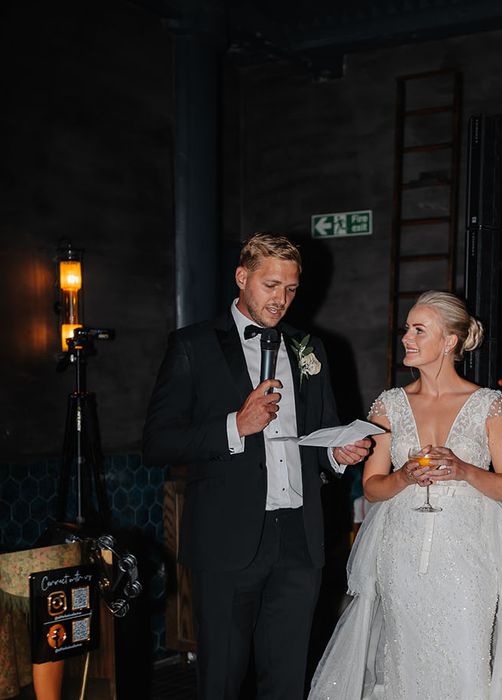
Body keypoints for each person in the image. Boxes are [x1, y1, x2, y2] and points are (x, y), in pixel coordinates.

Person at [310, 291, 502, 700]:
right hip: (402, 553)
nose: (406, 336)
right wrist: (404, 476)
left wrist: (463, 470)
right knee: (403, 658)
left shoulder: (488, 405)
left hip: (468, 554)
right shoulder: (388, 405)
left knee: (465, 656)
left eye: (419, 330)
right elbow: (372, 486)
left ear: (449, 342)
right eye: (408, 328)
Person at [143, 232, 370, 700]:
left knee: (287, 680)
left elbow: (320, 435)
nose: (281, 300)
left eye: (290, 289)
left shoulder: (310, 349)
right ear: (242, 278)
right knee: (222, 680)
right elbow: (158, 443)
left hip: (299, 542)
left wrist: (337, 454)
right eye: (271, 285)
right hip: (227, 543)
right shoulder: (193, 346)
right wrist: (234, 426)